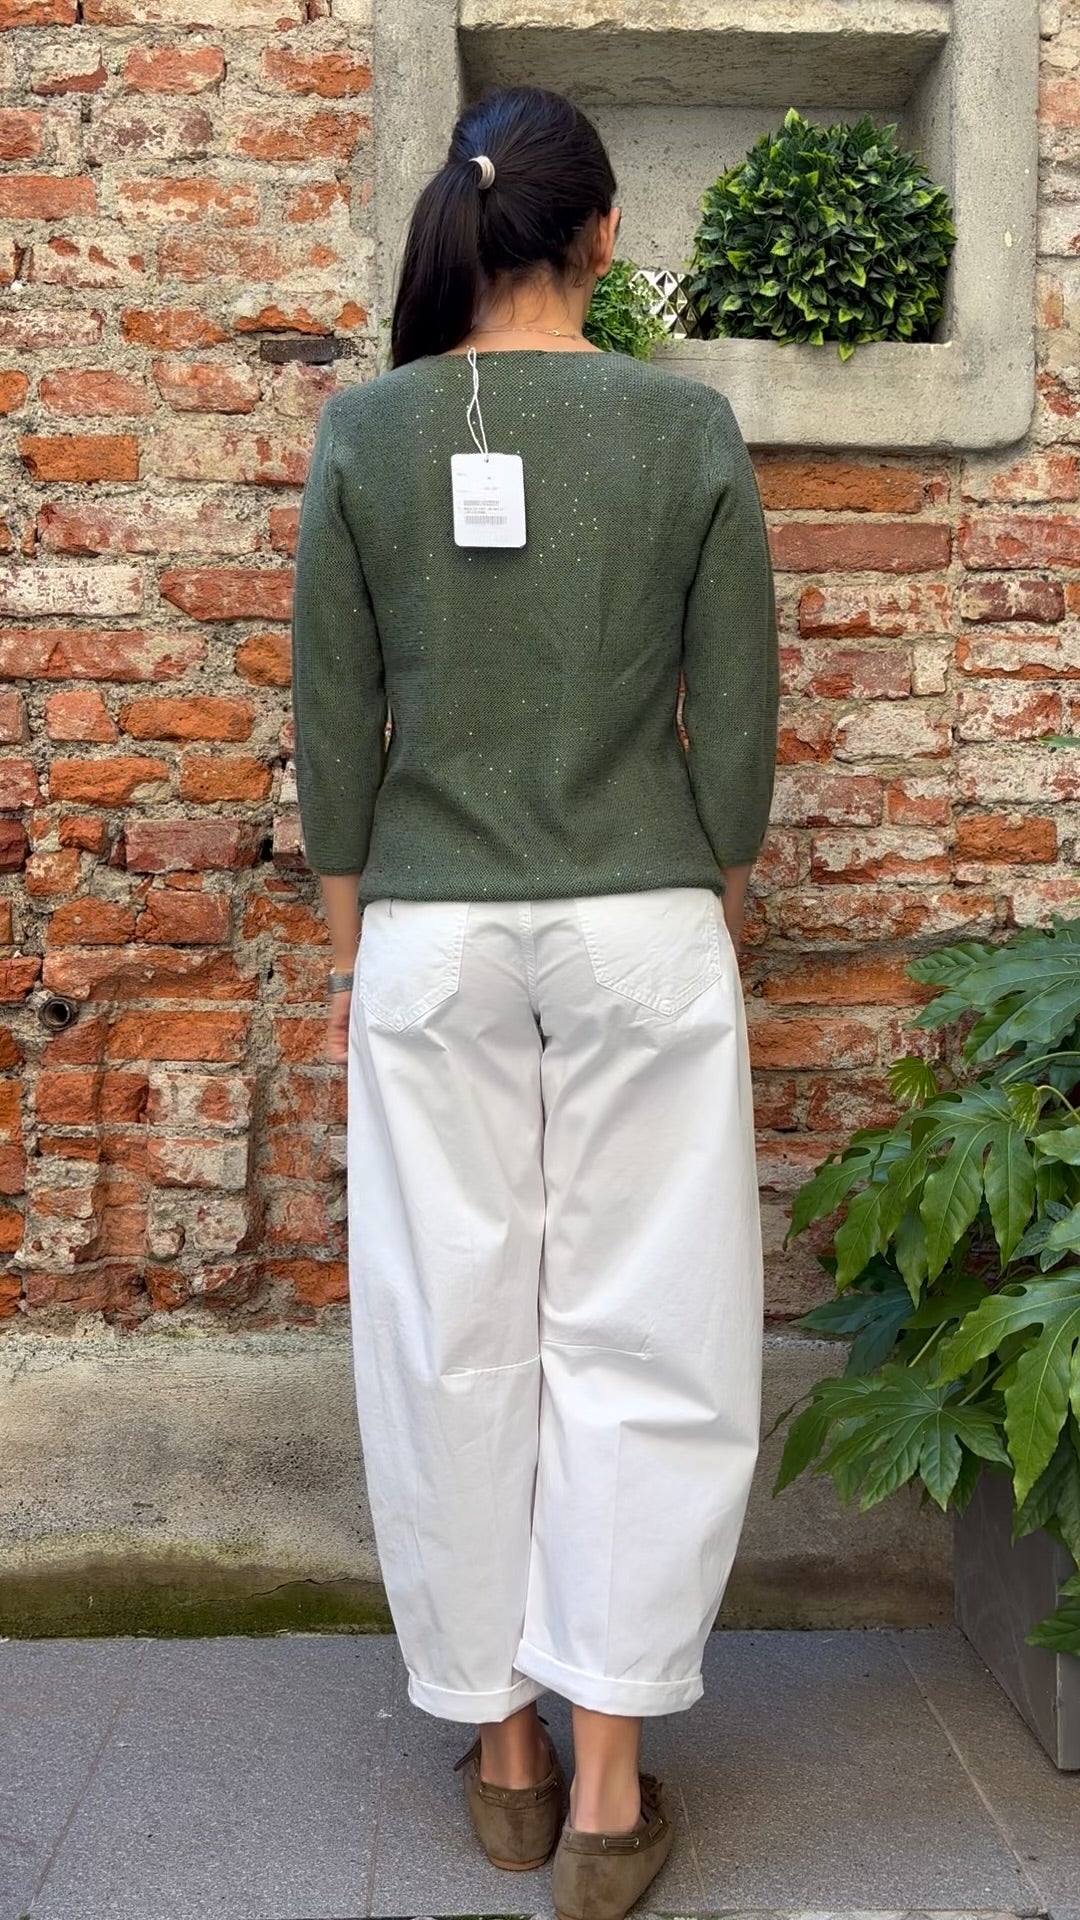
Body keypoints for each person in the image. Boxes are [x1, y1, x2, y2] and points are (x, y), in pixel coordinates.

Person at [290, 82, 778, 1920]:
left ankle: (500, 1750)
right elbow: (739, 716)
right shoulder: (685, 425)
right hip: (642, 914)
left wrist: (357, 925)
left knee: (449, 1327)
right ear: (603, 235)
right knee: (650, 1330)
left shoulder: (367, 429)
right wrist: (721, 876)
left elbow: (333, 716)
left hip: (432, 927)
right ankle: (607, 1790)